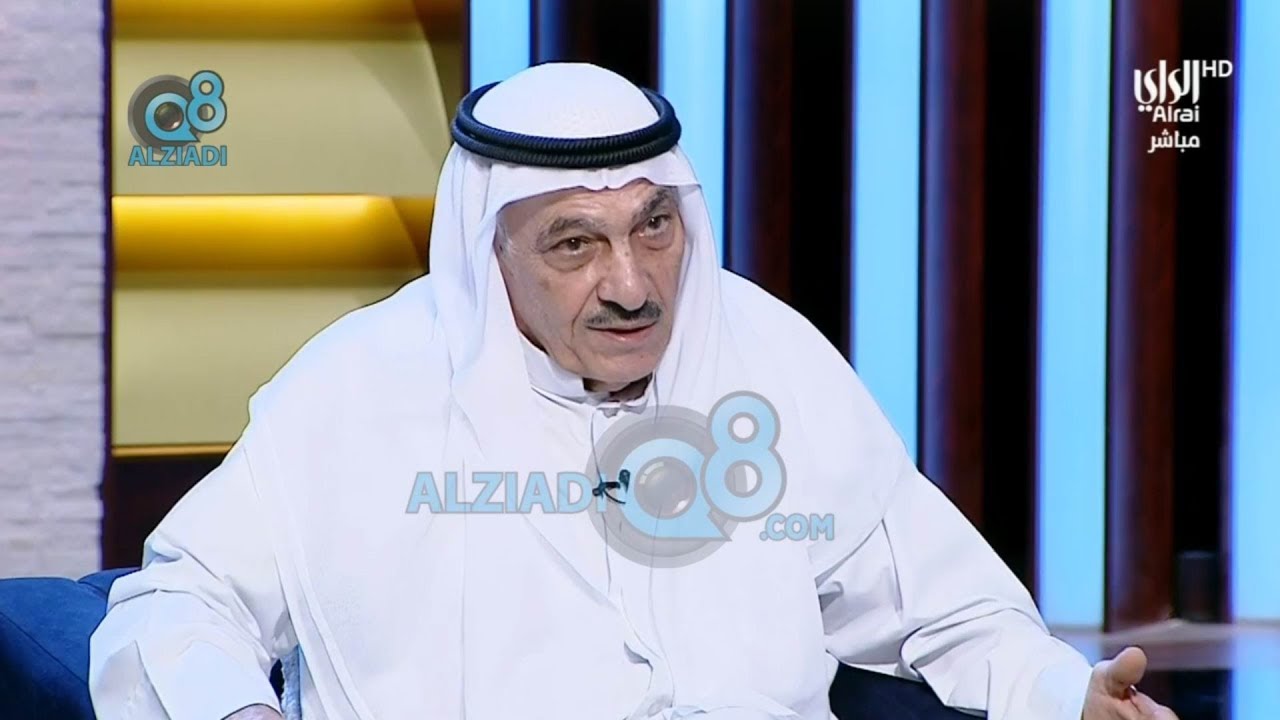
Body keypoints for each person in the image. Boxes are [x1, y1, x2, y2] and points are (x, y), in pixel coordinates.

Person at [89, 63, 1177, 720]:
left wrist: (1061, 693)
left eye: (654, 227)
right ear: (489, 250)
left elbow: (940, 598)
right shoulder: (355, 389)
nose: (632, 285)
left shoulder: (762, 348)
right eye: (575, 244)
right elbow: (175, 602)